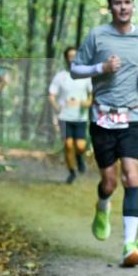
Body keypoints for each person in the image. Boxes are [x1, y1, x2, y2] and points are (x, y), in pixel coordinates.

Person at [72, 0, 138, 267]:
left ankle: (129, 245)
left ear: (133, 5)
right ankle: (102, 204)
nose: (123, 7)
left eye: (127, 2)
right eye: (118, 3)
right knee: (109, 182)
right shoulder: (97, 36)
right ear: (110, 6)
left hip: (134, 116)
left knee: (131, 178)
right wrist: (102, 68)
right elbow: (75, 70)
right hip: (102, 117)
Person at [49, 46, 93, 184]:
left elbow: (92, 95)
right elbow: (51, 95)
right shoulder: (61, 76)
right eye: (70, 56)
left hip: (80, 117)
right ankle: (72, 172)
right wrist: (57, 107)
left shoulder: (86, 76)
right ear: (66, 59)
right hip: (64, 117)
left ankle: (80, 157)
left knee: (80, 146)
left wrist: (87, 102)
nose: (73, 59)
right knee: (68, 145)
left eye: (76, 56)